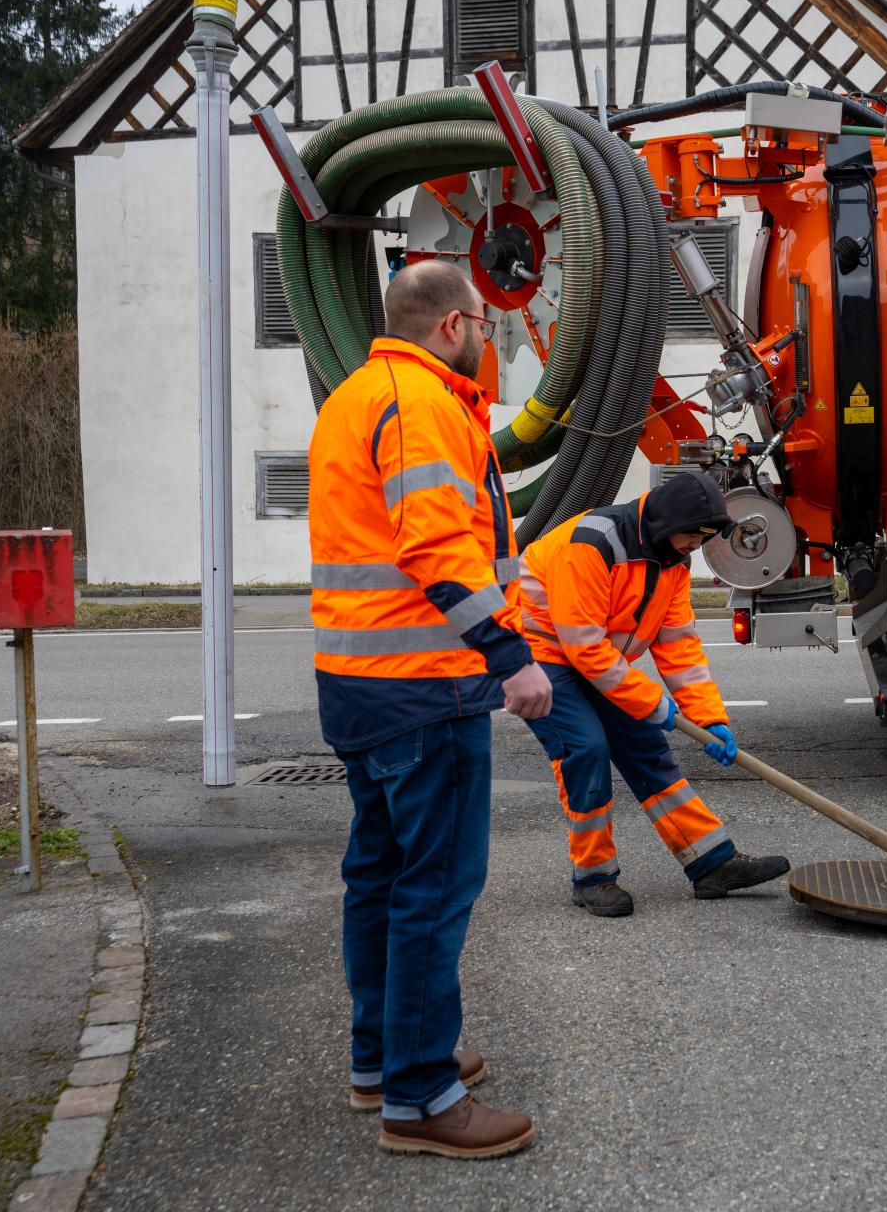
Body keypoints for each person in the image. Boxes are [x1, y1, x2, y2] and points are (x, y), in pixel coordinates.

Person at [308, 259, 550, 1159]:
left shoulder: (355, 395)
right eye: (486, 322)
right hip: (424, 684)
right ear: (451, 325)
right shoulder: (426, 405)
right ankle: (420, 1097)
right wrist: (511, 656)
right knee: (434, 889)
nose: (493, 339)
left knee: (379, 875)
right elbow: (439, 546)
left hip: (361, 683)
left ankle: (384, 1059)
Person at [517, 472, 789, 917]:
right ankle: (593, 877)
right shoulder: (591, 545)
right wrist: (650, 702)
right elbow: (581, 643)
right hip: (540, 655)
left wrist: (708, 718)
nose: (694, 550)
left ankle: (711, 863)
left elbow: (678, 644)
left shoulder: (672, 562)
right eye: (692, 538)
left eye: (703, 542)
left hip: (596, 657)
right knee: (585, 749)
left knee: (646, 747)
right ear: (665, 523)